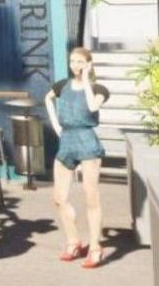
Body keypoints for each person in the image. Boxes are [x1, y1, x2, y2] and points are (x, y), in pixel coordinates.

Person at [46, 47, 110, 269]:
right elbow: (47, 98)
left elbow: (92, 106)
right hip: (66, 141)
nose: (75, 65)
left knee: (91, 197)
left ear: (89, 63)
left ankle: (95, 247)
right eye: (73, 61)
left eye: (80, 62)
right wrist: (56, 126)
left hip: (86, 141)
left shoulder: (98, 88)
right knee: (59, 197)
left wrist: (85, 79)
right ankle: (74, 240)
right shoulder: (62, 86)